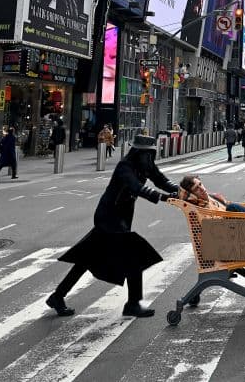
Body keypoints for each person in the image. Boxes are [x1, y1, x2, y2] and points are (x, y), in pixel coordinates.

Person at [46, 135, 178, 318]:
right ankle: (133, 303)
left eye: (152, 154)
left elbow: (160, 179)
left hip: (119, 218)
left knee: (86, 258)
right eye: (148, 154)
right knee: (134, 255)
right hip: (109, 217)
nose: (150, 157)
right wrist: (164, 198)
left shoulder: (144, 166)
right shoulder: (125, 167)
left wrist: (178, 190)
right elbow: (136, 188)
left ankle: (57, 296)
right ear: (139, 153)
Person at [179, 175, 245, 214]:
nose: (202, 189)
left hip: (241, 220)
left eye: (200, 184)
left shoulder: (212, 197)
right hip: (227, 228)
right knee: (232, 207)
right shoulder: (199, 207)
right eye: (196, 189)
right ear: (192, 195)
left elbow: (227, 203)